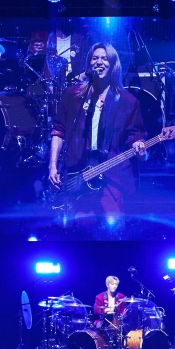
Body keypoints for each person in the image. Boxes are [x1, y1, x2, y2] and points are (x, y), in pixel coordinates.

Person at [47, 43, 147, 233]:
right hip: (78, 172)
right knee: (81, 227)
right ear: (88, 64)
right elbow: (58, 130)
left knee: (112, 227)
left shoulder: (127, 101)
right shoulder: (73, 95)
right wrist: (53, 166)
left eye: (104, 58)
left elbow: (135, 136)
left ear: (113, 65)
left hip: (110, 173)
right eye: (95, 58)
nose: (99, 62)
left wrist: (139, 146)